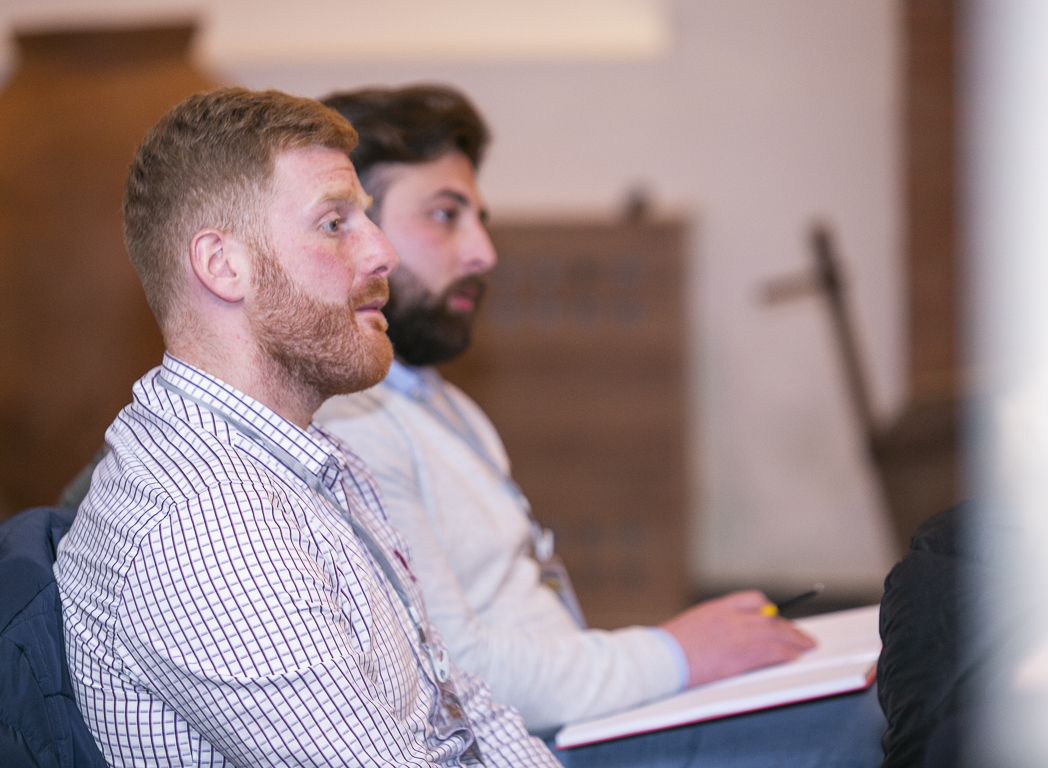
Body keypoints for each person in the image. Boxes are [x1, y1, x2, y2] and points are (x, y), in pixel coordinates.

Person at [314, 85, 887, 766]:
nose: (483, 252)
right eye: (445, 215)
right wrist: (676, 654)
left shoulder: (433, 398)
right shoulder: (353, 425)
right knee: (863, 725)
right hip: (523, 747)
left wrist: (679, 657)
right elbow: (452, 678)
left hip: (570, 721)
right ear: (357, 233)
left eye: (479, 219)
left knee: (879, 690)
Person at [53, 87, 558, 768]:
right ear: (223, 267)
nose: (382, 252)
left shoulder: (306, 458)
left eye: (367, 218)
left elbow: (457, 704)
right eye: (334, 223)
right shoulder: (209, 527)